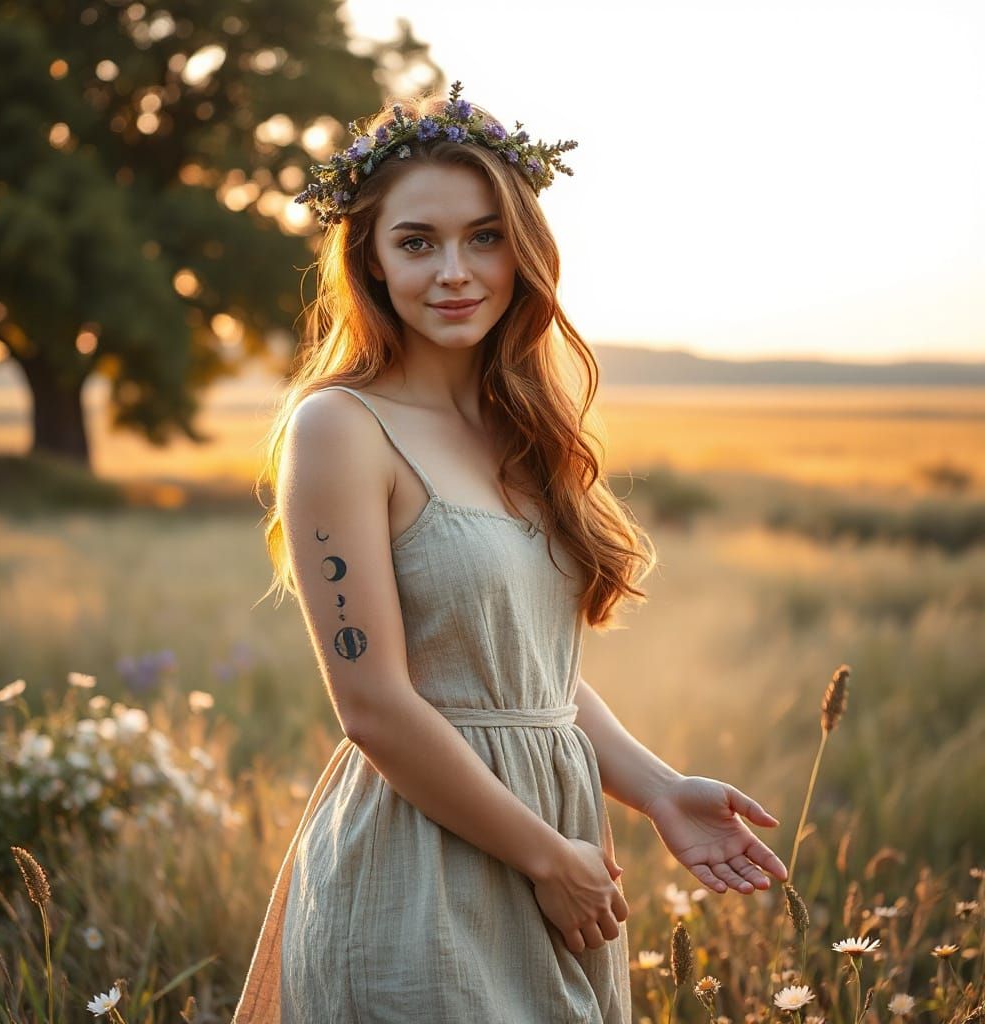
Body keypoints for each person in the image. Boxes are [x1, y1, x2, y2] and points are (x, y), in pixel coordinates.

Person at [233, 81, 788, 1024]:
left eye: (485, 236)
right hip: (424, 860)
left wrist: (655, 790)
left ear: (524, 250)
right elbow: (372, 704)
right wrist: (545, 855)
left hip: (558, 850)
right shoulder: (342, 428)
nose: (455, 270)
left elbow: (524, 672)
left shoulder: (520, 429)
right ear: (368, 260)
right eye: (417, 242)